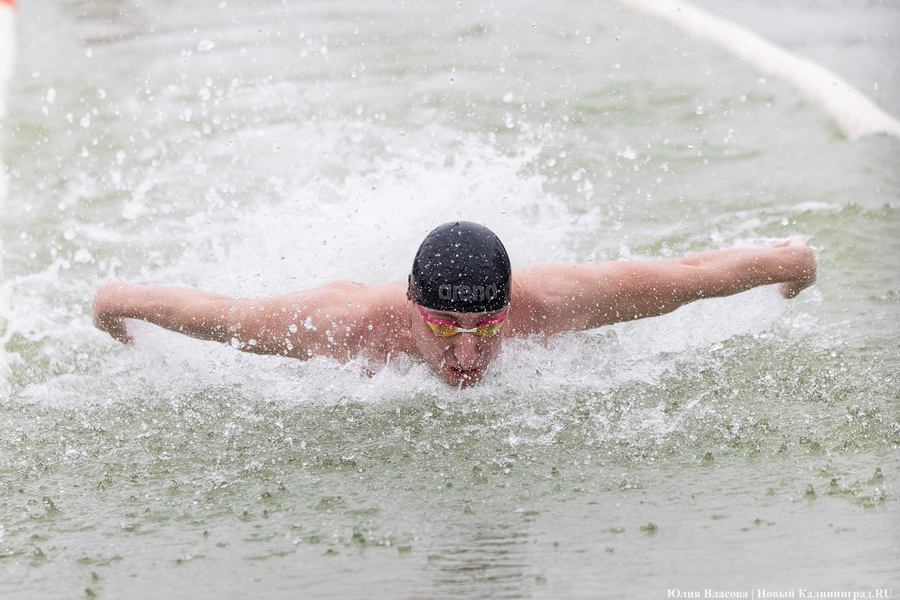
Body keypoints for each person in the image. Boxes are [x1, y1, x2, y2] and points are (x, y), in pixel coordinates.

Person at [92, 222, 817, 387]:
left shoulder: (558, 301)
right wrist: (114, 303)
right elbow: (217, 313)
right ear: (412, 307)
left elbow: (693, 274)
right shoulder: (342, 328)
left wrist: (791, 264)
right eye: (443, 327)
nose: (466, 355)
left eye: (486, 328)